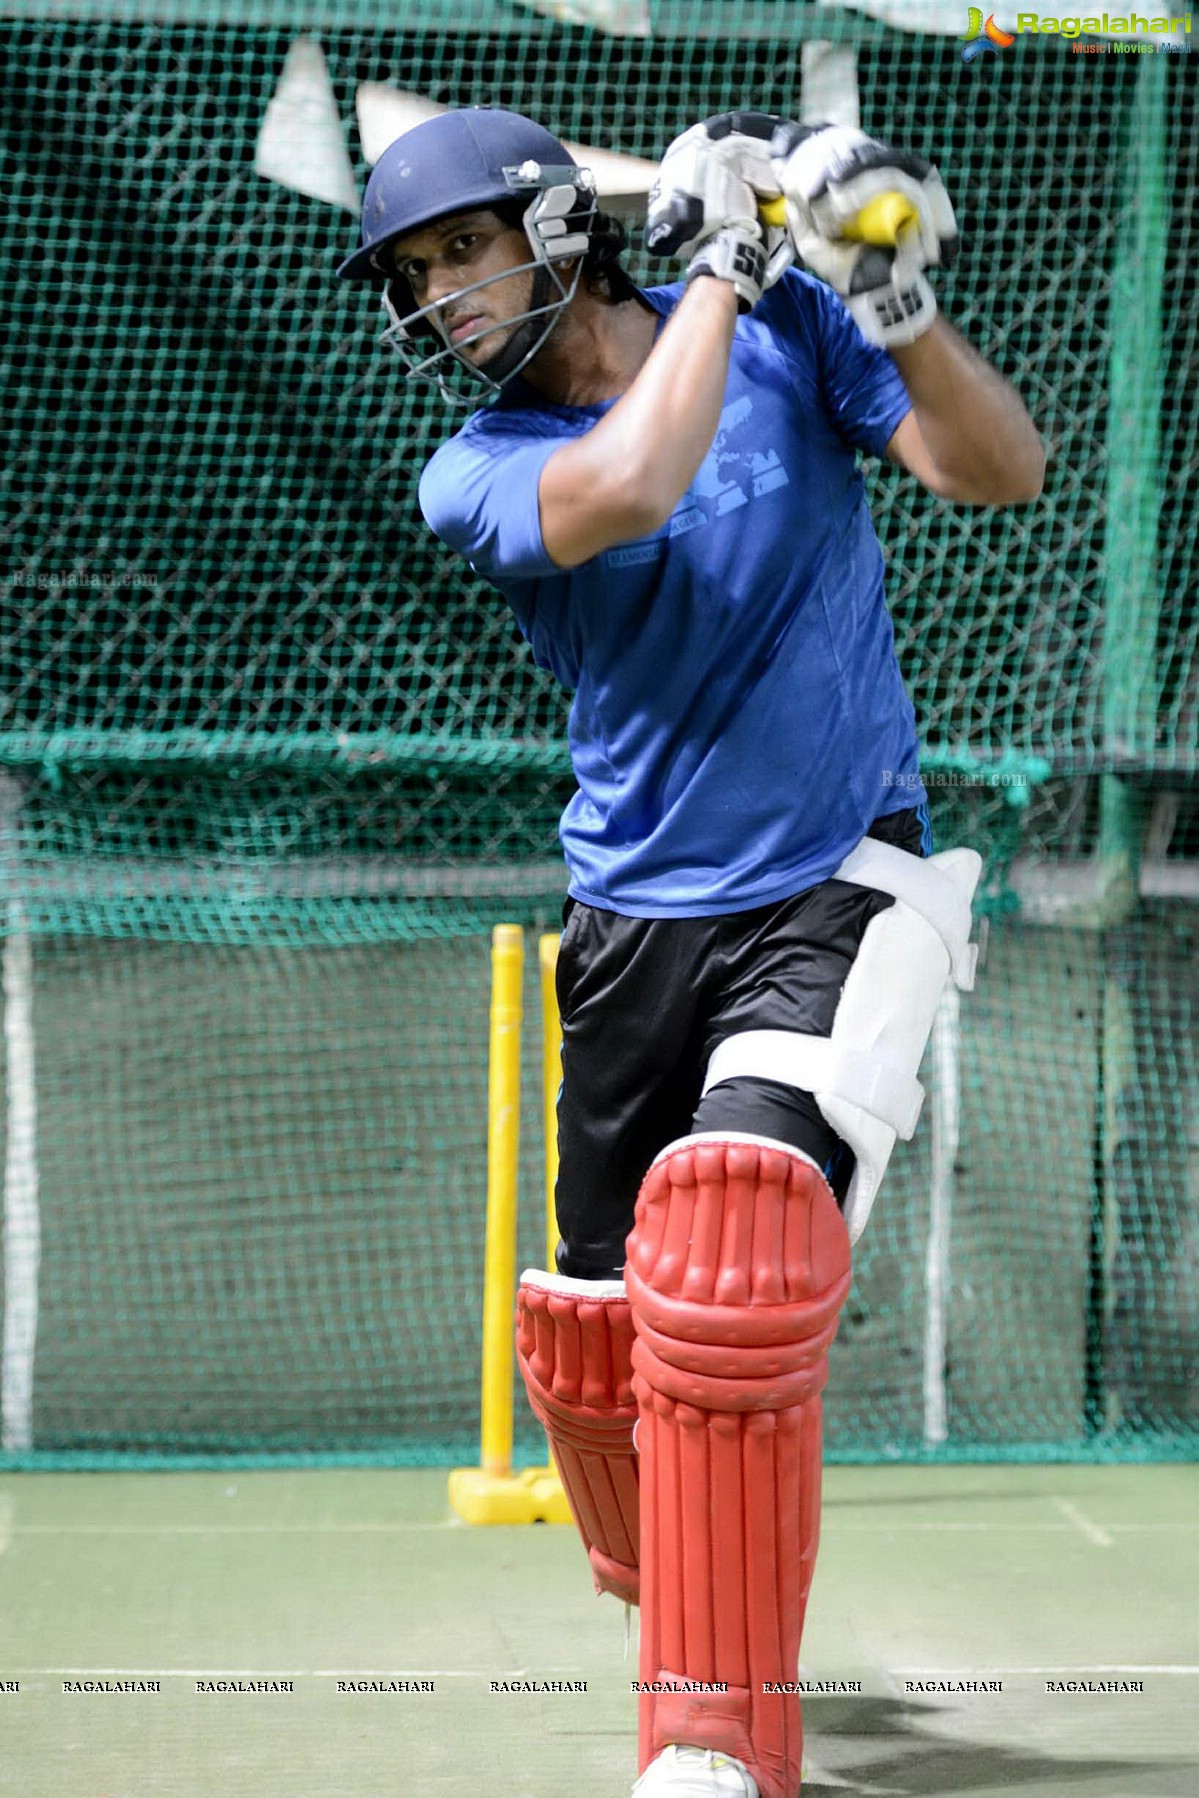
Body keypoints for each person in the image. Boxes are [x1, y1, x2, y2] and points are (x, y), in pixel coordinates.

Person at [339, 105, 1043, 1798]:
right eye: (417, 276)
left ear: (553, 228)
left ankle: (711, 1736)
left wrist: (884, 298)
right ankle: (690, 1600)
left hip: (834, 878)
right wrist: (733, 254)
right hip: (634, 928)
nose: (441, 296)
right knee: (608, 1347)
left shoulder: (793, 329)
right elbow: (640, 475)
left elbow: (997, 468)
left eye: (462, 250)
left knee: (736, 1230)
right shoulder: (479, 470)